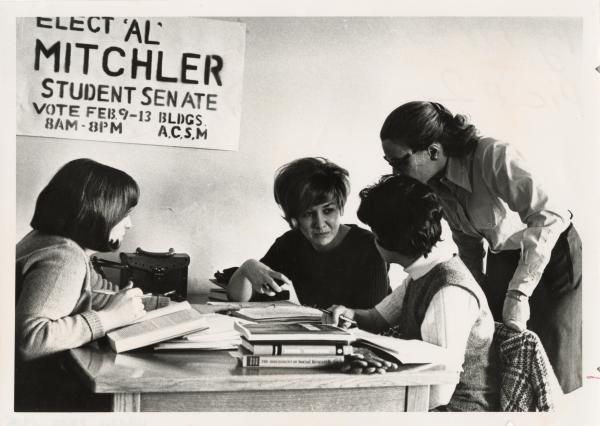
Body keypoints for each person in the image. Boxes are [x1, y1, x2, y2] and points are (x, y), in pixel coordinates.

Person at [377, 100, 581, 393]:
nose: (397, 172)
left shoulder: (494, 156)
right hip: (504, 257)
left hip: (553, 254)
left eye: (400, 161)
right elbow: (469, 245)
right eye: (390, 164)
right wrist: (472, 297)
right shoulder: (434, 184)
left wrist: (518, 292)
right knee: (501, 357)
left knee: (554, 365)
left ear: (433, 150)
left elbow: (548, 217)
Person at [324, 175, 499, 411]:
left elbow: (439, 390)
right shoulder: (423, 272)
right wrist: (350, 314)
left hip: (455, 412)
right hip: (421, 396)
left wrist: (371, 401)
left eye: (375, 234)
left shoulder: (449, 292)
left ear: (390, 241)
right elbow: (377, 319)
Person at [15, 158, 147, 411]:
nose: (129, 224)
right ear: (97, 210)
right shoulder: (64, 257)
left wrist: (151, 304)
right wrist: (108, 319)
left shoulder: (51, 242)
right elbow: (31, 340)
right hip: (32, 396)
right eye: (125, 213)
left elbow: (96, 293)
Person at [227, 157, 391, 309]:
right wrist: (247, 268)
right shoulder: (289, 244)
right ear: (294, 218)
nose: (320, 223)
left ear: (340, 208)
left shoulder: (369, 247)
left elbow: (371, 321)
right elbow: (239, 298)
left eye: (328, 211)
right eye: (308, 214)